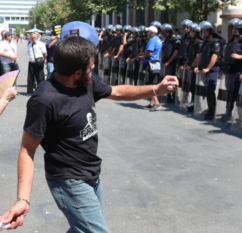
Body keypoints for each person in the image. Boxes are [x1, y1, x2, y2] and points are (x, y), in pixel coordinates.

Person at [0, 22, 178, 233]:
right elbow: (27, 150)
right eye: (91, 67)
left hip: (92, 173)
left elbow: (118, 91)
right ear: (76, 72)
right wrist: (23, 198)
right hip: (69, 180)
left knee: (82, 230)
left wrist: (155, 89)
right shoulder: (44, 100)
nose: (93, 69)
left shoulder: (86, 82)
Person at [216, 18, 242, 123]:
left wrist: (239, 56)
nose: (234, 30)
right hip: (228, 72)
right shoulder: (230, 42)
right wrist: (222, 70)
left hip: (238, 72)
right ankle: (227, 114)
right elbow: (225, 57)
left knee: (238, 95)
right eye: (233, 28)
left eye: (237, 29)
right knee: (229, 94)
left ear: (241, 30)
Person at [194, 21, 223, 120]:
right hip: (204, 69)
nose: (204, 33)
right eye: (203, 31)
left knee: (211, 90)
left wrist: (208, 68)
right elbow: (200, 55)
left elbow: (214, 56)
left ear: (210, 32)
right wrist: (198, 66)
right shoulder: (205, 42)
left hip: (212, 69)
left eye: (206, 31)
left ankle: (212, 110)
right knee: (205, 90)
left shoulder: (216, 42)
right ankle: (209, 108)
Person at [140, 26, 163, 111]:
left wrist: (142, 56)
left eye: (148, 31)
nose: (147, 33)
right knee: (154, 83)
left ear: (152, 32)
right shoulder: (158, 39)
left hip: (150, 63)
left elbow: (149, 53)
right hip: (156, 63)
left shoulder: (152, 40)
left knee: (151, 85)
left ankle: (157, 103)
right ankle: (152, 102)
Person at [183, 23, 203, 112]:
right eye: (190, 32)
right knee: (191, 86)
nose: (190, 34)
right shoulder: (192, 43)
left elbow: (198, 56)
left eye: (193, 32)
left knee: (195, 86)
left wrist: (192, 66)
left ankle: (196, 103)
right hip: (190, 67)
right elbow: (189, 55)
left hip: (194, 68)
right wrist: (186, 64)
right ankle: (192, 101)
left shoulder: (199, 43)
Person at [161, 23, 181, 103]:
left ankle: (174, 96)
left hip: (172, 63)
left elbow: (176, 52)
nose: (164, 33)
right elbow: (163, 50)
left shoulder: (176, 40)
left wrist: (169, 62)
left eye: (166, 32)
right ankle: (168, 95)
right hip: (166, 61)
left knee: (172, 80)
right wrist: (162, 60)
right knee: (167, 80)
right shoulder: (167, 39)